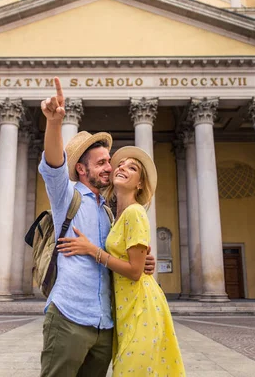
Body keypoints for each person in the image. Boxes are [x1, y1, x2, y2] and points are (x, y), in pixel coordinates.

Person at [38, 77, 155, 377]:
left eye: (109, 162)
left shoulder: (110, 213)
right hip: (69, 317)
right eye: (102, 162)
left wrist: (140, 262)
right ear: (81, 168)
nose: (110, 167)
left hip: (105, 324)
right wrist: (54, 123)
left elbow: (123, 261)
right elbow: (53, 165)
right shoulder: (68, 197)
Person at [57, 146, 186, 376]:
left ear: (139, 184)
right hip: (124, 309)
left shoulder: (135, 213)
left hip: (140, 307)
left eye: (132, 167)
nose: (123, 168)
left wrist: (92, 250)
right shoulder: (114, 216)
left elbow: (135, 272)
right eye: (122, 164)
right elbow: (133, 262)